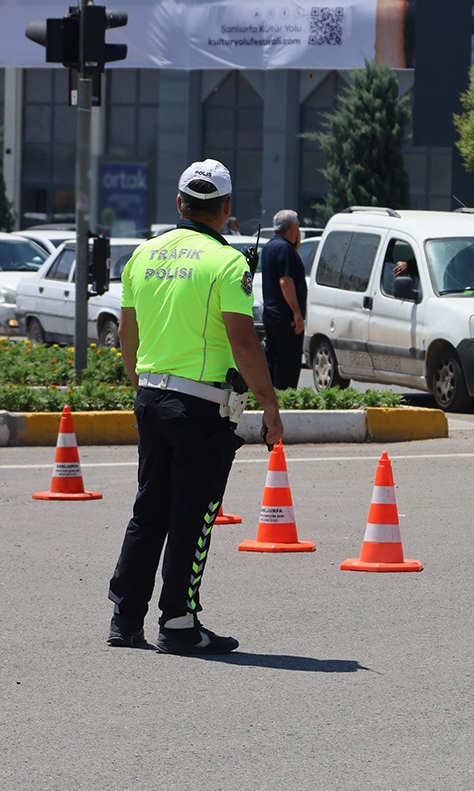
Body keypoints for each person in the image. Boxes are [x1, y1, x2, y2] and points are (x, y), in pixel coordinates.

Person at [107, 158, 284, 655]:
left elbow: (127, 331)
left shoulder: (143, 255)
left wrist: (140, 385)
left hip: (151, 397)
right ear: (227, 209)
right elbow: (244, 342)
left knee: (149, 509)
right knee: (195, 515)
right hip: (202, 407)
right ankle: (179, 623)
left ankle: (125, 618)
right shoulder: (227, 263)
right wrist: (269, 403)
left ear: (179, 203)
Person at [260, 209, 307, 389]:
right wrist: (297, 313)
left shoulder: (269, 246)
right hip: (285, 318)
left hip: (271, 314)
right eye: (297, 227)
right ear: (292, 227)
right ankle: (284, 397)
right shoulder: (285, 249)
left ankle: (271, 395)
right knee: (288, 363)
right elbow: (285, 282)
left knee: (273, 360)